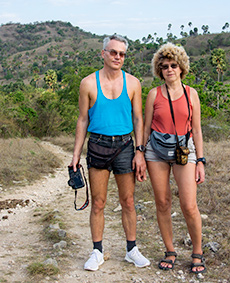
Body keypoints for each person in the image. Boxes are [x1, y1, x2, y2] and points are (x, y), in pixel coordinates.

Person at [70, 34, 150, 271]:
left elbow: (138, 118)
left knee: (128, 201)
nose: (118, 57)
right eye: (113, 52)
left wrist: (140, 151)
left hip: (126, 146)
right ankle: (97, 251)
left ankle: (131, 250)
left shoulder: (133, 83)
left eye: (122, 54)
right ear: (103, 53)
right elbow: (83, 119)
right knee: (98, 202)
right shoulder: (88, 83)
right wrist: (75, 154)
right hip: (98, 145)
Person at [143, 43, 206, 274]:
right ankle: (169, 251)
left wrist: (200, 161)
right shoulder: (153, 95)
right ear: (159, 70)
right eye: (164, 66)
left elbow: (197, 130)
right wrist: (140, 153)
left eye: (173, 65)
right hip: (156, 151)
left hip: (184, 150)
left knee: (189, 204)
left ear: (181, 68)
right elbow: (146, 127)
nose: (169, 69)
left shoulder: (192, 94)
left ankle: (197, 252)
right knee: (162, 203)